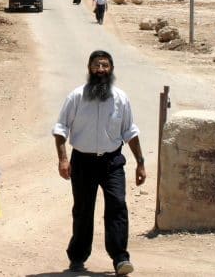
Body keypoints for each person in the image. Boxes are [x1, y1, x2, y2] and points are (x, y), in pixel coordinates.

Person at [53, 50, 146, 276]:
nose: (101, 70)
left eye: (105, 65)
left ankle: (120, 258)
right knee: (83, 210)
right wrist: (63, 159)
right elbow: (61, 128)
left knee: (117, 206)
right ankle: (77, 257)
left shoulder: (121, 99)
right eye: (97, 65)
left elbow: (130, 133)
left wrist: (140, 163)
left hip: (112, 161)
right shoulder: (76, 97)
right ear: (89, 69)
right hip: (82, 161)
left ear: (111, 69)